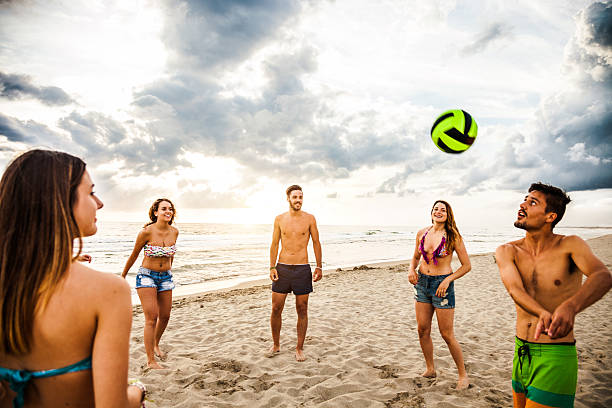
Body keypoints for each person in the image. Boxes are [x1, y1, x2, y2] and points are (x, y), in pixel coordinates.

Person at [0, 149, 145, 408]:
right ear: (58, 201)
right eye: (90, 192)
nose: (99, 203)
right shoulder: (108, 291)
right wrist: (137, 392)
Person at [496, 182, 612, 408]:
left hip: (555, 354)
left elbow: (602, 275)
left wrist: (571, 306)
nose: (522, 204)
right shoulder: (507, 251)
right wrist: (542, 312)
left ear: (550, 216)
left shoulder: (570, 245)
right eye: (525, 199)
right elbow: (515, 289)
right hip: (521, 353)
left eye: (532, 202)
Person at [408, 200, 471, 390]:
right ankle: (430, 368)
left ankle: (462, 375)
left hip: (442, 285)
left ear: (448, 214)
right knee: (422, 329)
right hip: (422, 284)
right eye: (436, 209)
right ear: (431, 213)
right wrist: (411, 270)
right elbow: (415, 257)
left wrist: (447, 280)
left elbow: (467, 265)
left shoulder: (453, 236)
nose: (439, 212)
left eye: (443, 210)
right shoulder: (422, 233)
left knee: (446, 334)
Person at [122, 198, 178, 369]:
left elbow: (171, 255)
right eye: (163, 209)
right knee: (151, 318)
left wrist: (168, 271)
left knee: (166, 315)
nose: (168, 211)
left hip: (165, 278)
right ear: (155, 212)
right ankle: (150, 360)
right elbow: (134, 255)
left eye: (170, 209)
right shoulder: (146, 232)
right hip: (146, 276)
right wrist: (122, 276)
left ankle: (155, 344)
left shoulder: (175, 232)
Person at [269, 185, 323, 362]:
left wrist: (319, 266)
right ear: (288, 199)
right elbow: (275, 244)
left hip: (302, 269)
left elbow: (316, 242)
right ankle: (276, 344)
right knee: (276, 308)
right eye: (295, 197)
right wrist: (272, 267)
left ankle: (299, 348)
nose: (298, 200)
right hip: (282, 268)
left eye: (300, 197)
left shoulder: (310, 219)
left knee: (302, 309)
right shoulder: (279, 219)